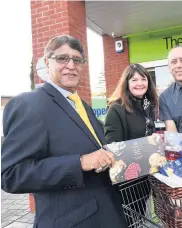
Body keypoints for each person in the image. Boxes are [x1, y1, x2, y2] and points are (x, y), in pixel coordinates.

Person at [1, 35, 127, 228]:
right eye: (62, 58)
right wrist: (79, 162)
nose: (71, 65)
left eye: (77, 60)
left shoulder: (83, 106)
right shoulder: (29, 104)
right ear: (46, 63)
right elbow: (12, 175)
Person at [104, 63, 159, 224]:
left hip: (144, 178)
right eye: (134, 80)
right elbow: (113, 148)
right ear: (126, 83)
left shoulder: (148, 106)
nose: (140, 83)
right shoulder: (116, 109)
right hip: (127, 183)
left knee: (139, 219)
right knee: (127, 221)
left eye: (143, 79)